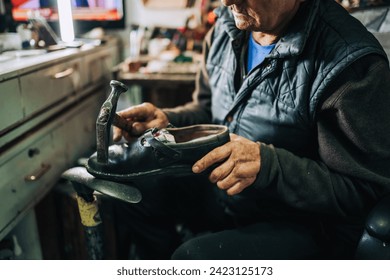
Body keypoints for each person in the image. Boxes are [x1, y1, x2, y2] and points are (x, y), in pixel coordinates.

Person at [113, 0, 390, 259]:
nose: (226, 1)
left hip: (301, 222)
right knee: (130, 186)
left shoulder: (351, 65)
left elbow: (363, 190)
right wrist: (169, 122)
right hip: (227, 195)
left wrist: (269, 165)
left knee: (194, 258)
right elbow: (210, 112)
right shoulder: (226, 28)